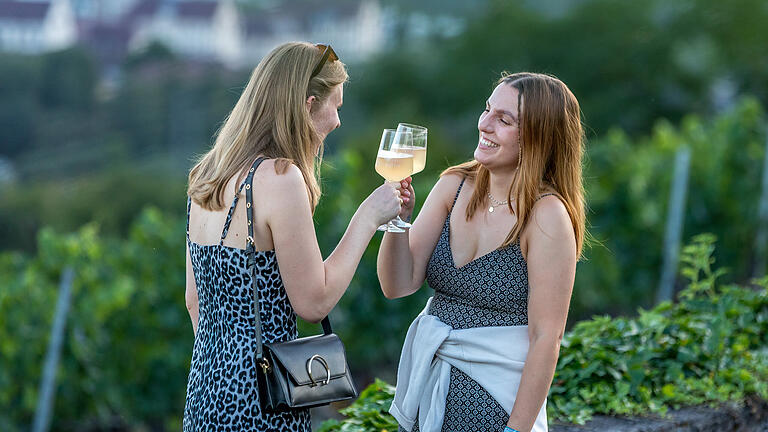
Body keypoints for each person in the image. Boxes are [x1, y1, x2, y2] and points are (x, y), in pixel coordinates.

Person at [183, 42, 403, 431]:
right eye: (334, 105)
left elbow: (194, 301)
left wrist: (228, 359)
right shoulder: (280, 179)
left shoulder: (206, 175)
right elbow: (313, 302)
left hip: (206, 388)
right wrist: (368, 218)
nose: (337, 120)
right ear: (307, 105)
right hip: (261, 398)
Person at [377, 72, 586, 432]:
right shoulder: (453, 186)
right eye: (487, 110)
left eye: (504, 120)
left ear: (539, 137)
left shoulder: (546, 215)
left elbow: (545, 339)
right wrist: (398, 222)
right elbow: (397, 285)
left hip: (496, 408)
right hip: (430, 395)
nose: (485, 124)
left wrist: (514, 431)